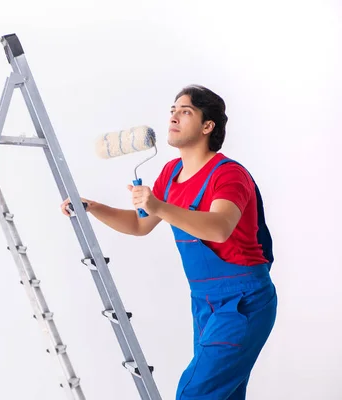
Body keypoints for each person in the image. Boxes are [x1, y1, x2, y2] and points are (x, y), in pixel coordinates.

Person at [60, 85, 277, 399]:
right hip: (204, 300)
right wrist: (91, 207)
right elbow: (139, 224)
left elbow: (219, 228)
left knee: (196, 392)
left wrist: (158, 205)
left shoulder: (228, 175)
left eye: (185, 111)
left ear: (207, 126)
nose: (174, 116)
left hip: (245, 300)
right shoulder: (171, 172)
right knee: (223, 394)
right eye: (173, 110)